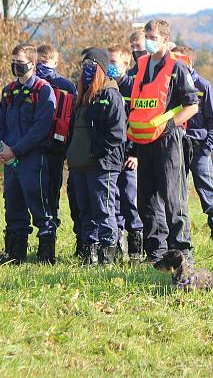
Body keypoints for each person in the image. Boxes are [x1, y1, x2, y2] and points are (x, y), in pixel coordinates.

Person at [127, 19, 199, 266]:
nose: (148, 40)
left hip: (169, 140)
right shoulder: (141, 65)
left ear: (165, 40)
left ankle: (182, 253)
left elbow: (192, 106)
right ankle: (156, 253)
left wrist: (169, 125)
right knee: (146, 199)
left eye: (153, 37)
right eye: (147, 35)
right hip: (144, 141)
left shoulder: (177, 68)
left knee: (173, 198)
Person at [0, 43, 57, 264]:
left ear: (33, 64)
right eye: (13, 62)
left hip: (32, 158)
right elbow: (0, 121)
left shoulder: (43, 91)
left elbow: (40, 129)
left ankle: (46, 255)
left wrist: (15, 150)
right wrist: (0, 148)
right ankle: (14, 253)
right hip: (9, 159)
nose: (15, 67)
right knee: (13, 205)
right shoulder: (9, 91)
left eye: (20, 63)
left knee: (39, 204)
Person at [66, 48, 127, 265]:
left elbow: (118, 133)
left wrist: (96, 152)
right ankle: (89, 254)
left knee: (103, 210)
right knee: (85, 211)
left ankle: (107, 255)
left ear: (101, 68)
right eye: (84, 67)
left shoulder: (111, 94)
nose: (87, 71)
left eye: (91, 67)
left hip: (102, 165)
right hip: (79, 165)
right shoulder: (81, 95)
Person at [172, 45, 213, 252]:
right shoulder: (172, 86)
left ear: (189, 62)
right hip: (178, 147)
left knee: (207, 192)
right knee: (177, 193)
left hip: (199, 147)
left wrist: (206, 148)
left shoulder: (204, 86)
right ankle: (180, 238)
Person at [35, 44, 77, 246]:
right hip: (32, 149)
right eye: (38, 63)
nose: (42, 67)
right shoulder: (30, 85)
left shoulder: (67, 86)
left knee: (52, 191)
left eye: (46, 63)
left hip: (56, 149)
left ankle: (49, 241)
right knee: (33, 193)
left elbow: (73, 120)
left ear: (55, 63)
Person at [107, 44, 144, 261]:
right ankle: (118, 246)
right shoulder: (106, 89)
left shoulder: (135, 89)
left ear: (126, 64)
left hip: (130, 156)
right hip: (111, 156)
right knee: (114, 201)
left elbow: (140, 123)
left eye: (114, 62)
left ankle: (136, 249)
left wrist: (136, 153)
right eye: (108, 62)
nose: (110, 66)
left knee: (131, 201)